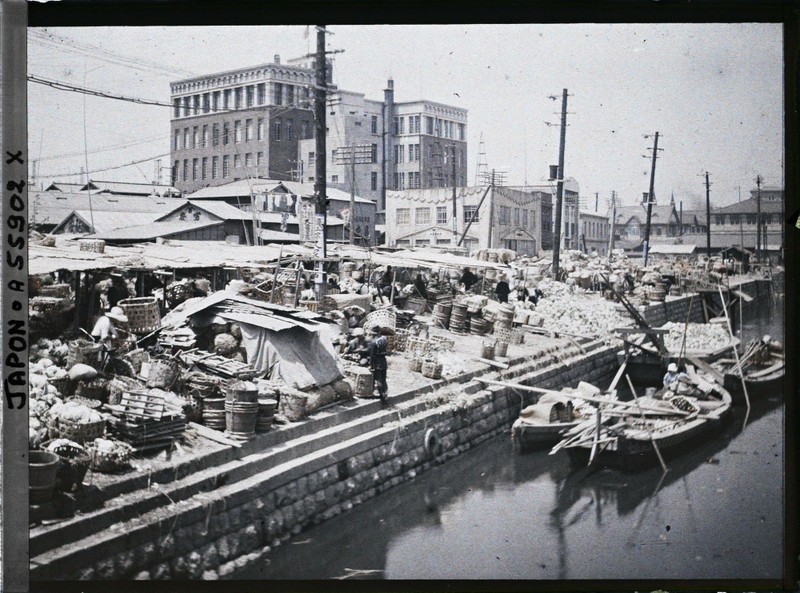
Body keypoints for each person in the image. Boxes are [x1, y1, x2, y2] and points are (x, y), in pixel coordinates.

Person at [367, 326, 389, 404]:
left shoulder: (373, 342)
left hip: (377, 362)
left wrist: (371, 365)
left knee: (379, 380)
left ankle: (382, 396)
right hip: (384, 360)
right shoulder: (384, 339)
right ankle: (386, 394)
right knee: (384, 379)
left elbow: (372, 355)